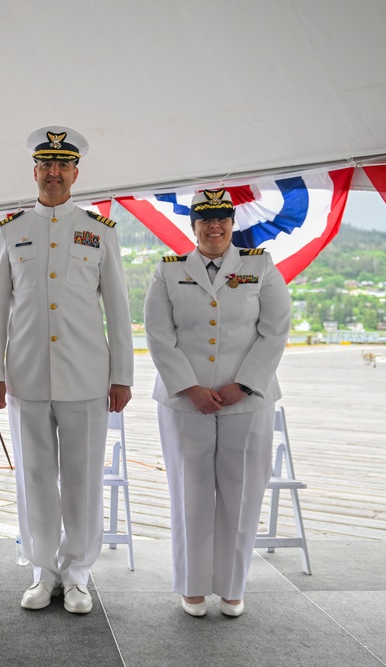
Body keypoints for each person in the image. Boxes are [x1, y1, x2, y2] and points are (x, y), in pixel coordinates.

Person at [0, 126, 134, 614]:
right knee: (34, 477)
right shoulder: (11, 232)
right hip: (26, 375)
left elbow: (117, 308)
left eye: (62, 165)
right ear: (35, 172)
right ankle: (42, 570)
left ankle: (77, 574)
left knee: (82, 479)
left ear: (75, 171)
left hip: (87, 377)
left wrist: (122, 375)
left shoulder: (100, 232)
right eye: (46, 165)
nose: (54, 173)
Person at [144, 188, 291, 618]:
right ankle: (192, 587)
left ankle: (232, 588)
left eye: (222, 218)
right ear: (193, 226)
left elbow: (276, 329)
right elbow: (158, 334)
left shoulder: (259, 266)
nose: (214, 226)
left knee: (241, 494)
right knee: (189, 493)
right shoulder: (168, 271)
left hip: (246, 403)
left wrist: (243, 384)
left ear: (232, 223)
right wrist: (189, 387)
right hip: (184, 402)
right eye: (205, 218)